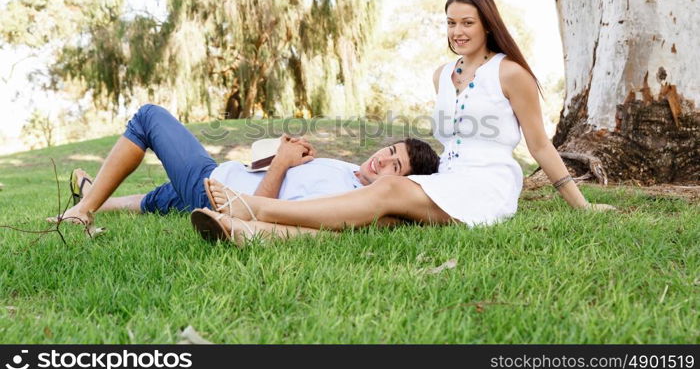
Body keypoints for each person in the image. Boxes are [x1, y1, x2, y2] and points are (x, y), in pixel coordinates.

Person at [193, 0, 614, 245]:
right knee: (384, 218)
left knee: (389, 191)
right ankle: (253, 234)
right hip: (446, 179)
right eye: (451, 22)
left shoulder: (510, 73)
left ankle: (259, 210)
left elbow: (539, 144)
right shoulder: (442, 76)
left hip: (486, 184)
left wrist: (581, 206)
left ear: (487, 24)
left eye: (467, 22)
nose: (458, 31)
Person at [48, 104, 440, 233]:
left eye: (395, 165)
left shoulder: (351, 198)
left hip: (215, 189)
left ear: (403, 185)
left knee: (149, 118)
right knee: (156, 200)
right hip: (225, 174)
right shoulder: (350, 171)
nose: (382, 158)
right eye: (389, 149)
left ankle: (82, 211)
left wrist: (284, 165)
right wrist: (284, 156)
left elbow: (255, 210)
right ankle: (93, 192)